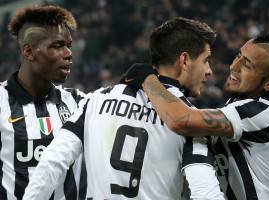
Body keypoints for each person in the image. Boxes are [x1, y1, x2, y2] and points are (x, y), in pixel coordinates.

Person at [23, 17, 225, 199]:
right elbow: (205, 192)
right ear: (185, 60)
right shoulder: (190, 122)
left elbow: (52, 162)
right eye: (206, 60)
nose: (209, 71)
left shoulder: (95, 99)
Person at [120, 33, 269, 199]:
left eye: (247, 64)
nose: (233, 66)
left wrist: (148, 78)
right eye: (238, 56)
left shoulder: (266, 112)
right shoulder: (242, 108)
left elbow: (182, 120)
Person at [0, 5, 87, 199]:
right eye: (57, 46)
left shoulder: (79, 103)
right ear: (29, 52)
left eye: (68, 46)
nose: (68, 53)